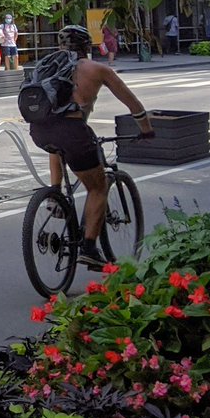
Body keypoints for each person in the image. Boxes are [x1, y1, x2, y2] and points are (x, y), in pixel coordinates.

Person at [28, 25, 155, 269]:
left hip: (40, 131)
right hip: (74, 132)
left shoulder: (46, 65)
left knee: (58, 146)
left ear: (61, 45)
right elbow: (133, 103)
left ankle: (55, 195)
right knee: (97, 187)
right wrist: (147, 129)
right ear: (88, 47)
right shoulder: (98, 70)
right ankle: (88, 247)